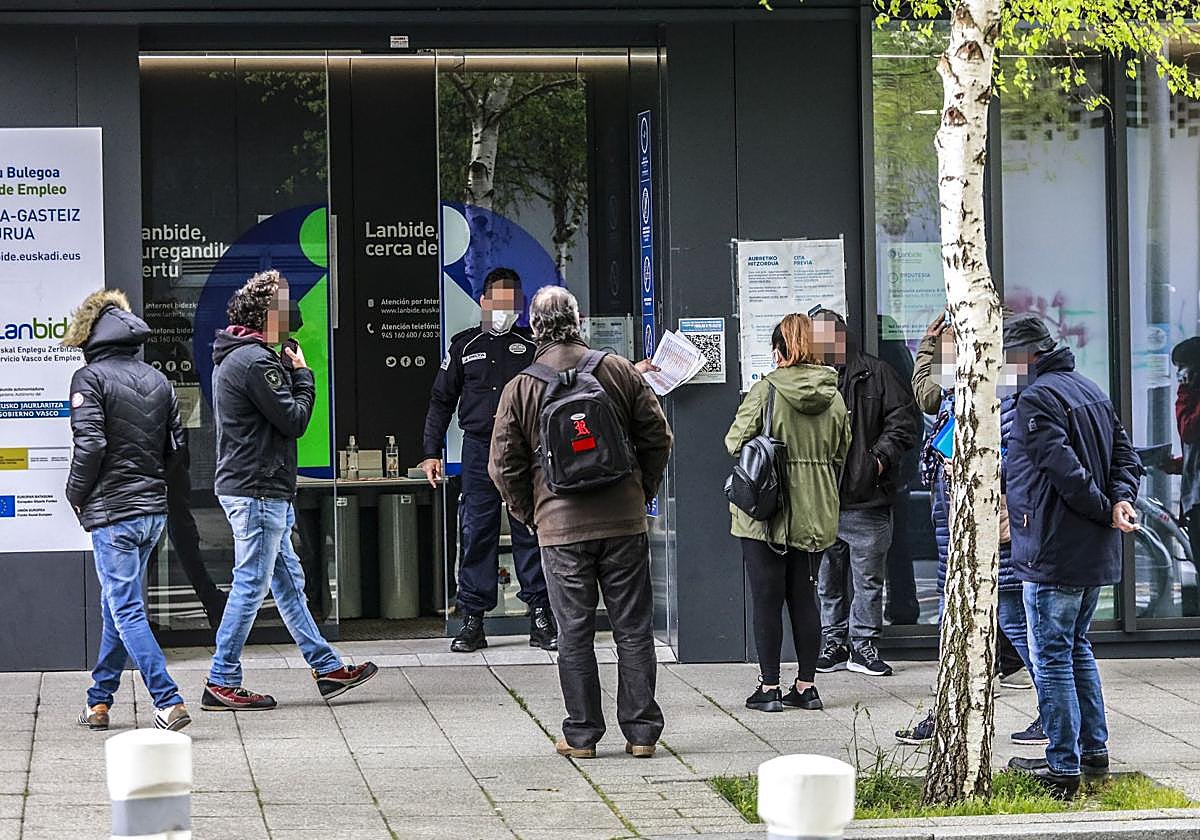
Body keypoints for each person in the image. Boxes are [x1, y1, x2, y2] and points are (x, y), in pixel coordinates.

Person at [489, 285, 673, 759]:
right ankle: (642, 733)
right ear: (579, 321)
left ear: (534, 329)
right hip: (623, 521)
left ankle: (582, 736)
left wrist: (530, 513)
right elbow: (658, 437)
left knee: (573, 632)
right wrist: (641, 491)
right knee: (633, 629)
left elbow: (503, 465)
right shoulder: (619, 370)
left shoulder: (521, 387)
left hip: (560, 528)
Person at [203, 269, 376, 712]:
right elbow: (295, 420)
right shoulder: (255, 362)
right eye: (284, 304)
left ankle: (326, 666)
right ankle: (221, 679)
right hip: (259, 488)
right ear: (266, 313)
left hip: (258, 486)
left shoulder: (238, 357)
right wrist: (303, 375)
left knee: (287, 583)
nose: (292, 312)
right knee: (251, 584)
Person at [1003, 314, 1142, 798]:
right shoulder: (1088, 388)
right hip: (1086, 549)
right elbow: (1127, 458)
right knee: (1076, 647)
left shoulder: (1037, 398)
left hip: (1054, 548)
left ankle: (1063, 765)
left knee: (1053, 656)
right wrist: (1119, 502)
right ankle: (1093, 753)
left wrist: (1106, 508)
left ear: (1025, 357)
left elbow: (1064, 472)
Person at [896, 313, 1041, 747]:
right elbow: (927, 394)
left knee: (1017, 622)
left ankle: (1055, 713)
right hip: (954, 525)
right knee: (955, 624)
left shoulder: (1003, 393)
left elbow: (1014, 460)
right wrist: (929, 347)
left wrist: (1003, 505)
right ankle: (948, 713)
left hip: (993, 527)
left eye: (955, 340)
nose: (950, 350)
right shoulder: (959, 389)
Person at [63, 289, 191, 732]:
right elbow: (178, 449)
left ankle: (168, 700)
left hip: (114, 512)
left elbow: (91, 445)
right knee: (116, 606)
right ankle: (99, 701)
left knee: (126, 610)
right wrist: (153, 487)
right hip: (152, 511)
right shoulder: (158, 379)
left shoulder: (89, 379)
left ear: (89, 335)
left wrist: (75, 493)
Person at [420, 267, 557, 653]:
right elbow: (441, 401)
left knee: (529, 530)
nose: (503, 309)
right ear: (483, 302)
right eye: (497, 302)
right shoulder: (464, 346)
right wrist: (431, 452)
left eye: (510, 302)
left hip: (524, 450)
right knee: (476, 532)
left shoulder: (534, 346)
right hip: (479, 449)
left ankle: (540, 616)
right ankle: (473, 620)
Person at [726, 314, 850, 713]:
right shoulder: (833, 394)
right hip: (815, 509)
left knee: (767, 599)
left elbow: (734, 442)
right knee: (804, 597)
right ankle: (807, 686)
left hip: (767, 510)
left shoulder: (767, 389)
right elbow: (841, 450)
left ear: (779, 350)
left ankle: (769, 688)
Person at [810, 307, 919, 677]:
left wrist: (877, 462)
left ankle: (863, 646)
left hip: (867, 497)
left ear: (842, 336)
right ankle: (833, 643)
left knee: (868, 580)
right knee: (828, 580)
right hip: (822, 500)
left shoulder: (877, 373)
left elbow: (904, 422)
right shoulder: (807, 379)